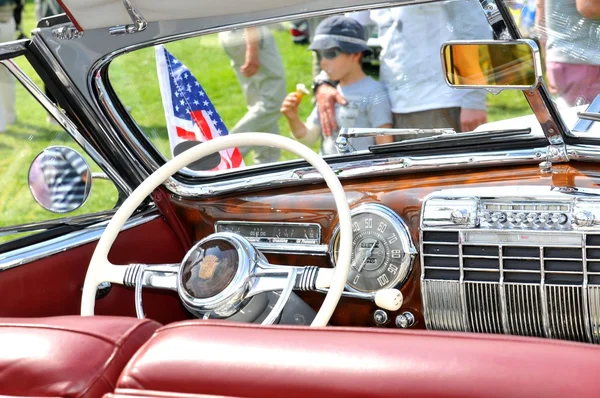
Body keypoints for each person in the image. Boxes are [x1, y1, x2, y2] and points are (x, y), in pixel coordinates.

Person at [314, 0, 493, 137]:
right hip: (388, 106)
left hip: (440, 103)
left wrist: (473, 99)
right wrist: (325, 81)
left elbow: (473, 29)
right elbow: (342, 33)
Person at [280, 16, 393, 155]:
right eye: (319, 55)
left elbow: (385, 146)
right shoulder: (329, 94)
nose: (323, 62)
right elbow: (309, 138)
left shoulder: (374, 92)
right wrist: (293, 118)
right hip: (329, 174)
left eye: (330, 53)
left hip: (361, 172)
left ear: (356, 54)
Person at [218, 26, 286, 165]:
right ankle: (226, 153)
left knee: (259, 105)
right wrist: (252, 48)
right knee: (271, 103)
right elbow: (247, 8)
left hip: (231, 31)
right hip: (249, 32)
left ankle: (266, 163)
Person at [535, 0, 600, 107]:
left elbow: (540, 10)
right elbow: (589, 7)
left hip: (563, 61)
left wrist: (548, 60)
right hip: (588, 62)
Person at [40, 147, 91, 212]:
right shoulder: (66, 150)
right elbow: (86, 176)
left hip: (58, 207)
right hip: (76, 206)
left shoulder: (44, 155)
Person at [0, 0, 17, 133]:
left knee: (5, 73)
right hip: (8, 20)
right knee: (6, 73)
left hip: (4, 20)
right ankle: (9, 116)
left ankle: (3, 121)